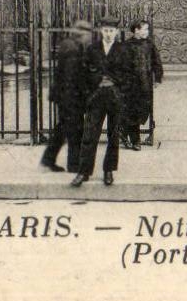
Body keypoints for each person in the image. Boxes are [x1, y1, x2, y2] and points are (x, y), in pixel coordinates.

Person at [71, 18, 132, 187]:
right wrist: (96, 82)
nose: (108, 34)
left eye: (111, 31)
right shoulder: (92, 49)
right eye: (106, 30)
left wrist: (115, 83)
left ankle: (108, 170)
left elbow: (128, 73)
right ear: (101, 31)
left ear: (117, 32)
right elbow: (83, 72)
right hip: (96, 96)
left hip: (115, 96)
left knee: (114, 135)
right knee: (89, 134)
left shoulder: (123, 49)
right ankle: (83, 172)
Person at [41, 21, 98, 175]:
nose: (90, 37)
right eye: (88, 34)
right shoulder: (73, 48)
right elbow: (72, 76)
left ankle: (48, 159)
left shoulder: (71, 44)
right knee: (75, 130)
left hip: (66, 96)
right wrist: (82, 94)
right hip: (70, 97)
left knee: (63, 129)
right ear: (82, 33)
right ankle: (73, 165)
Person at [121, 19, 164, 149]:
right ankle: (136, 141)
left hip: (145, 84)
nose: (147, 32)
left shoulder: (149, 45)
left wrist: (157, 78)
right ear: (136, 30)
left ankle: (124, 132)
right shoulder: (126, 45)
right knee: (132, 111)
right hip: (130, 85)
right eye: (145, 29)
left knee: (144, 110)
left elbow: (157, 62)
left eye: (147, 29)